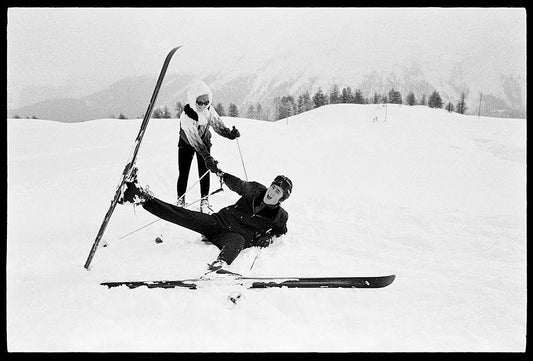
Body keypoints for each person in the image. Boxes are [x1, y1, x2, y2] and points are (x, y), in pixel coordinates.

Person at [118, 168, 292, 271]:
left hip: (233, 238)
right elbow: (238, 184)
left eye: (278, 192)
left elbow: (280, 231)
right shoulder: (255, 190)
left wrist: (268, 237)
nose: (272, 192)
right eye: (273, 187)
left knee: (237, 240)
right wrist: (220, 173)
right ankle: (138, 196)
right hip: (218, 222)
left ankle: (220, 266)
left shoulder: (280, 216)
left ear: (281, 199)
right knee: (183, 215)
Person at [177, 79, 240, 213]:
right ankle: (180, 200)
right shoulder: (187, 116)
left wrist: (230, 134)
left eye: (206, 102)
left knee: (204, 172)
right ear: (193, 100)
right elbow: (194, 140)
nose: (203, 105)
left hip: (204, 143)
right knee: (184, 173)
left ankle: (204, 200)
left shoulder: (209, 110)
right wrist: (206, 156)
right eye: (200, 102)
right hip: (186, 145)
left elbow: (217, 125)